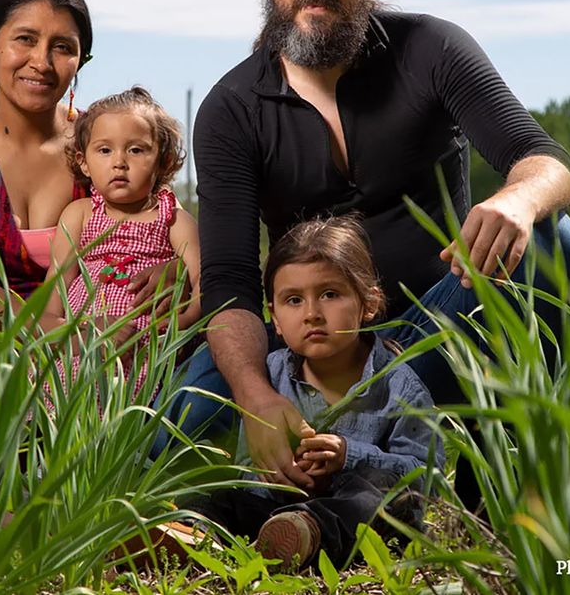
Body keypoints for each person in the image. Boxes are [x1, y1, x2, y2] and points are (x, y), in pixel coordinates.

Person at [183, 0, 570, 498]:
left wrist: (518, 197)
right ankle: (201, 505)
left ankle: (501, 476)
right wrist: (259, 396)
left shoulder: (431, 47)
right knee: (192, 398)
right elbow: (231, 287)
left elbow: (546, 160)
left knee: (551, 238)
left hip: (437, 330)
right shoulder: (230, 108)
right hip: (310, 351)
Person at [0, 0, 173, 398]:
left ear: (81, 59)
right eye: (25, 39)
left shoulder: (106, 146)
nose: (42, 62)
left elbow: (162, 224)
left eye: (62, 48)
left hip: (107, 367)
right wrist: (63, 332)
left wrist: (174, 268)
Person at [185, 216, 440, 570]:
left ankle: (307, 531)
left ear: (368, 303)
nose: (312, 314)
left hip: (358, 519)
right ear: (273, 316)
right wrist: (280, 471)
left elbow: (428, 477)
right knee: (222, 494)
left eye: (330, 295)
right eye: (293, 300)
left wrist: (348, 456)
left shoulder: (399, 384)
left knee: (380, 493)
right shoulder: (269, 378)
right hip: (275, 509)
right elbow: (247, 466)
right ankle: (193, 531)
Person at [43, 86, 201, 396]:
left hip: (151, 350)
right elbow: (51, 301)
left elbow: (203, 277)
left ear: (164, 162)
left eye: (136, 150)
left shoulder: (173, 220)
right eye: (104, 150)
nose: (119, 162)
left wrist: (183, 323)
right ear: (83, 161)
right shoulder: (79, 215)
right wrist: (81, 337)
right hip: (87, 343)